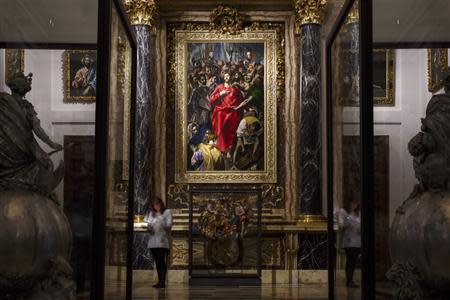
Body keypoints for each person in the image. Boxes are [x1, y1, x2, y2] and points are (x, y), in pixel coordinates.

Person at [209, 72, 252, 155]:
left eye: (228, 75)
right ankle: (221, 149)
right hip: (221, 112)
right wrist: (220, 94)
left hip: (232, 113)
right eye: (225, 76)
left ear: (231, 77)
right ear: (223, 78)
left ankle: (229, 149)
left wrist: (247, 107)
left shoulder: (235, 89)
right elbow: (211, 99)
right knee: (220, 126)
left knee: (232, 129)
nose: (227, 77)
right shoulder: (219, 87)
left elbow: (242, 100)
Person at [144, 197, 173, 288]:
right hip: (153, 240)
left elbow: (169, 225)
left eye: (157, 204)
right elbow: (147, 224)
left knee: (161, 261)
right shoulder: (151, 213)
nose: (156, 206)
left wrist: (161, 223)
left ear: (161, 203)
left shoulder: (167, 212)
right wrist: (149, 228)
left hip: (162, 240)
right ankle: (159, 281)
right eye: (154, 205)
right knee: (157, 262)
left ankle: (162, 282)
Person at [336, 200, 361, 288]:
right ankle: (349, 280)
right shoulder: (343, 212)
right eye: (353, 202)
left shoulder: (358, 213)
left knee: (354, 262)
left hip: (357, 241)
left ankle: (351, 279)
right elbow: (342, 225)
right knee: (350, 261)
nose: (355, 204)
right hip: (349, 241)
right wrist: (350, 216)